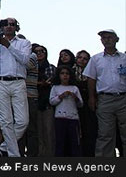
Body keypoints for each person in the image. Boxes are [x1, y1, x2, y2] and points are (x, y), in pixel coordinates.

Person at [83, 29, 126, 157]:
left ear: (116, 39)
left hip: (123, 98)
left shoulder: (124, 58)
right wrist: (92, 98)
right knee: (105, 134)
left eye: (109, 37)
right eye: (104, 38)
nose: (106, 40)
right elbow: (91, 79)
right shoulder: (96, 59)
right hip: (105, 99)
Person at [0, 18, 31, 157]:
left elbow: (25, 60)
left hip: (18, 82)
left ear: (16, 27)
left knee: (23, 121)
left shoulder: (24, 43)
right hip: (0, 81)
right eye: (5, 24)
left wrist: (8, 46)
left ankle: (4, 146)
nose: (8, 27)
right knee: (5, 121)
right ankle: (14, 155)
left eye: (12, 24)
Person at [50, 65, 83, 156]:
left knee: (74, 142)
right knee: (60, 142)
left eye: (67, 74)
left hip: (73, 119)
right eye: (62, 73)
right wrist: (60, 96)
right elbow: (52, 101)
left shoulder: (74, 88)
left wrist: (75, 98)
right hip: (60, 118)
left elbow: (81, 104)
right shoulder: (55, 87)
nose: (65, 76)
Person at [73, 50, 98, 156]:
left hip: (89, 105)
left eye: (85, 58)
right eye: (80, 57)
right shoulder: (70, 72)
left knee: (90, 131)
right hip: (74, 106)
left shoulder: (92, 73)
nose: (82, 60)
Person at [35, 44, 57, 156]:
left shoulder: (52, 68)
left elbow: (54, 84)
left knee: (49, 132)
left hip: (48, 103)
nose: (39, 53)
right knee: (38, 132)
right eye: (36, 51)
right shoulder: (31, 68)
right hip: (34, 102)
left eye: (42, 51)